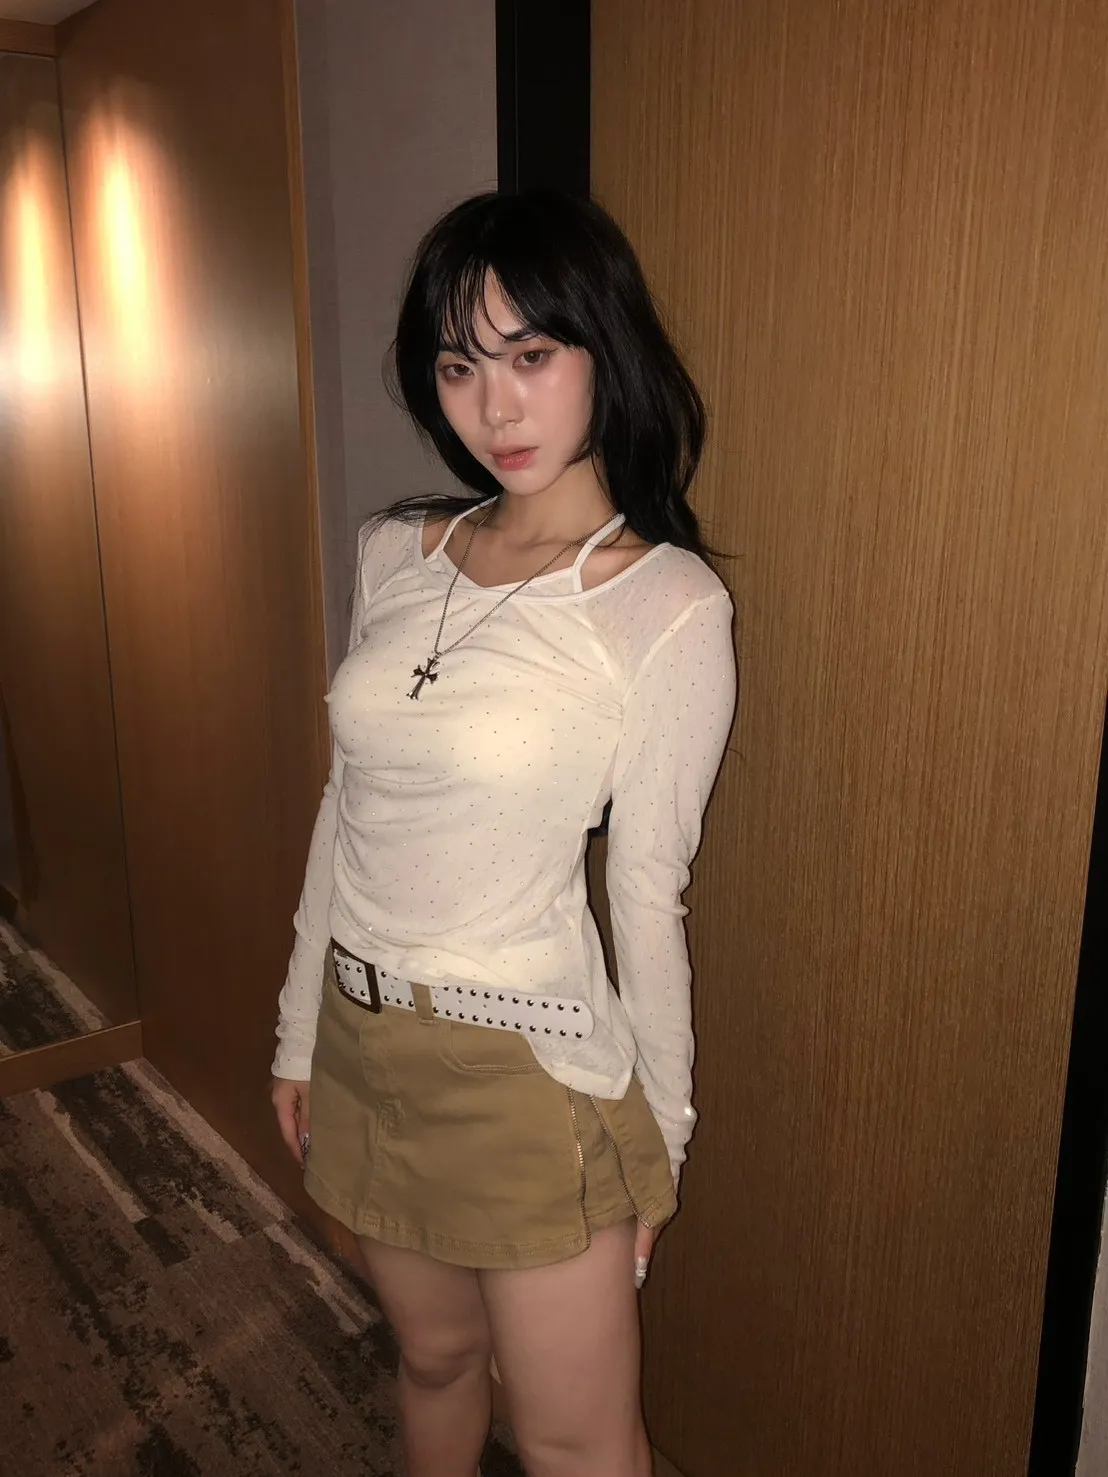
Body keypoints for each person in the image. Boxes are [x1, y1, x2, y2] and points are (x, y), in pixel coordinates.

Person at [270, 190, 737, 1477]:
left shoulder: (665, 605)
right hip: (364, 1041)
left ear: (604, 348)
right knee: (432, 1362)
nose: (496, 407)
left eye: (532, 354)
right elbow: (346, 806)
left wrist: (663, 1141)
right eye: (459, 365)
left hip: (526, 1077)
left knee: (572, 1441)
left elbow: (646, 891)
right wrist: (302, 1028)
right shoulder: (396, 551)